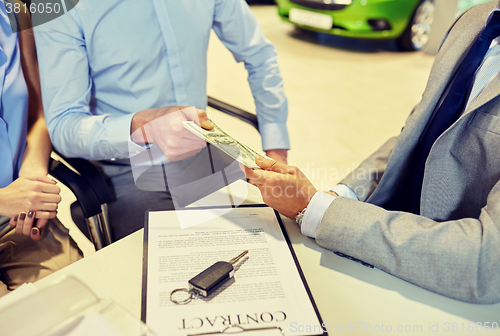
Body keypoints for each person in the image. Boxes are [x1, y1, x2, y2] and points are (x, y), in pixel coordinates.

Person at [244, 1, 500, 304]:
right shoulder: (475, 19)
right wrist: (341, 195)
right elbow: (417, 130)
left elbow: (485, 266)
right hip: (386, 259)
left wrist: (320, 211)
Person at [33, 0, 290, 240]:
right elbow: (63, 125)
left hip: (202, 155)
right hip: (125, 171)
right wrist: (143, 126)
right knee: (182, 272)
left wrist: (276, 146)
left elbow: (260, 55)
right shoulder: (54, 6)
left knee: (279, 241)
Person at [0, 0, 82, 296]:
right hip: (5, 205)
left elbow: (39, 112)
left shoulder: (13, 10)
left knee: (79, 296)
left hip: (15, 222)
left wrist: (33, 176)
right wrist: (4, 199)